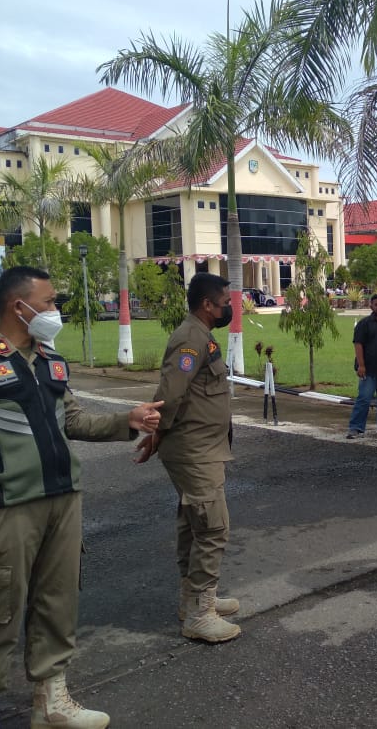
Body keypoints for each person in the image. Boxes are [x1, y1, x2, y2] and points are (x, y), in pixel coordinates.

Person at [0, 266, 163, 729]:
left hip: (63, 499)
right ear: (19, 306)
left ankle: (51, 701)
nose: (55, 309)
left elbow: (71, 420)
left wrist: (127, 420)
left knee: (58, 605)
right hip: (8, 508)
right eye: (51, 300)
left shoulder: (50, 359)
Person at [136, 272, 242, 644]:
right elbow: (170, 396)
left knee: (193, 524)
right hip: (194, 451)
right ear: (207, 305)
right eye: (225, 302)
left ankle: (194, 599)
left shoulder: (201, 335)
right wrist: (155, 436)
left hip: (203, 448)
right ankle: (200, 613)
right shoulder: (190, 338)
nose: (230, 307)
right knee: (213, 527)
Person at [346, 293, 377, 438]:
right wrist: (361, 365)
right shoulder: (364, 324)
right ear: (371, 306)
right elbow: (358, 344)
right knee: (364, 398)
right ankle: (355, 428)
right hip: (368, 370)